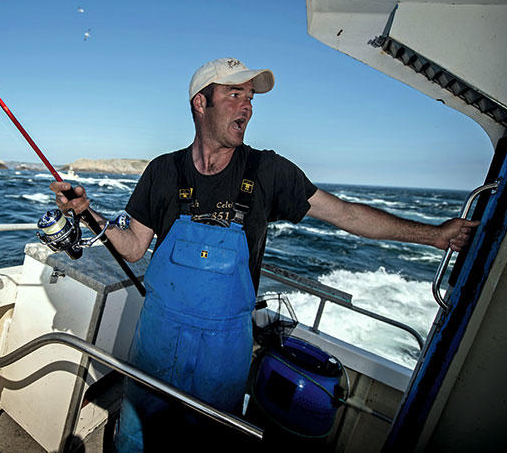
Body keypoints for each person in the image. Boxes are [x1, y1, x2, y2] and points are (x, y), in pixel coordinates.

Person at [49, 57, 478, 450]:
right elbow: (133, 245)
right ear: (201, 103)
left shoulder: (269, 171)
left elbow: (345, 214)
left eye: (250, 98)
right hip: (156, 340)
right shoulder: (163, 170)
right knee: (136, 436)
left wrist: (434, 235)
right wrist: (89, 213)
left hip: (225, 351)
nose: (247, 107)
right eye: (235, 94)